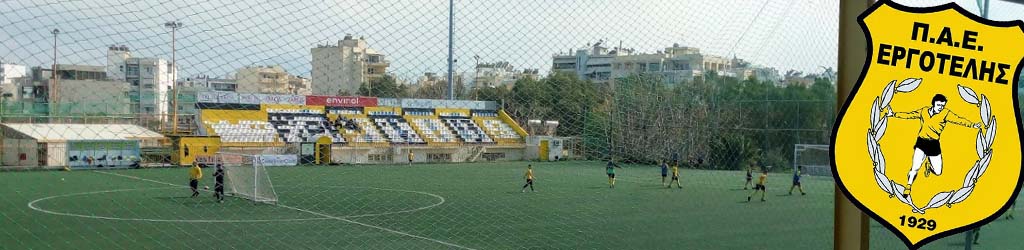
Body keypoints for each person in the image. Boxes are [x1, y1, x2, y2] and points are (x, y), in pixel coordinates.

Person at [889, 94, 980, 198]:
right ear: (933, 104)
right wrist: (894, 114)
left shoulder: (946, 113)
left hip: (934, 145)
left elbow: (959, 120)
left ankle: (928, 164)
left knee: (938, 172)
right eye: (938, 105)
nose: (941, 108)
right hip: (921, 142)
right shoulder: (924, 111)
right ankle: (908, 186)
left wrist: (972, 125)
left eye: (943, 105)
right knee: (915, 167)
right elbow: (910, 115)